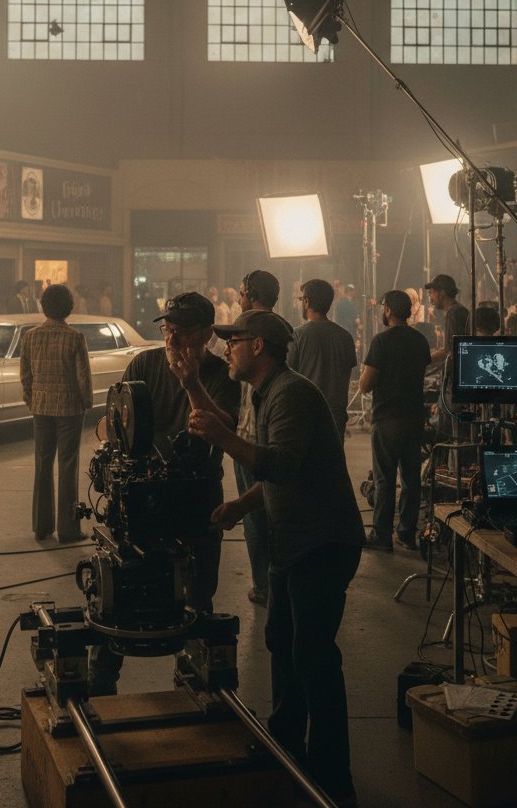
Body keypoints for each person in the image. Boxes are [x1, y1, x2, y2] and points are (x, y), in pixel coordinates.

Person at [189, 310, 365, 808]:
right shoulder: (263, 393)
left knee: (313, 656)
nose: (227, 349)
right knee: (281, 642)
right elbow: (274, 474)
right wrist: (240, 507)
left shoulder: (291, 394)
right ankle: (286, 747)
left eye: (234, 341)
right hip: (292, 541)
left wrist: (224, 440)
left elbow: (282, 465)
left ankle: (333, 777)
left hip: (323, 543)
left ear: (259, 346)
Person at [88, 290, 239, 695]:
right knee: (116, 592)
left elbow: (225, 430)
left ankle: (192, 685)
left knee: (196, 598)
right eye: (167, 329)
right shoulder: (145, 364)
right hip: (137, 494)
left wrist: (191, 384)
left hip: (196, 495)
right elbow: (115, 421)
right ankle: (101, 687)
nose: (172, 339)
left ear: (206, 334)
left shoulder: (222, 375)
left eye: (182, 332)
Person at [358, 289, 432, 552]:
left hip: (387, 418)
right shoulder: (419, 340)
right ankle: (407, 533)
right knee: (412, 479)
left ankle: (382, 535)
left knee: (384, 480)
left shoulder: (381, 341)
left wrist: (364, 377)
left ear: (388, 310)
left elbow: (366, 384)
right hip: (414, 417)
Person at [20, 284, 94, 543]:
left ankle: (41, 527)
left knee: (42, 464)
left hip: (41, 407)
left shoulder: (30, 337)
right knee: (68, 464)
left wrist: (31, 398)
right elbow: (83, 376)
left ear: (44, 307)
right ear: (68, 308)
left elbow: (25, 374)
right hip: (69, 408)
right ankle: (68, 530)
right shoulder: (75, 337)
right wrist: (87, 402)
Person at [231, 268, 281, 605]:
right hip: (273, 434)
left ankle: (263, 585)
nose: (239, 298)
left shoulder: (245, 328)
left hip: (250, 437)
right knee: (275, 511)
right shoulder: (283, 330)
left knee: (252, 514)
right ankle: (277, 580)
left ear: (250, 293)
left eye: (241, 292)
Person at [288, 278, 357, 442]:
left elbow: (289, 376)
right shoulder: (345, 337)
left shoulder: (297, 336)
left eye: (301, 299)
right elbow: (346, 374)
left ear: (306, 302)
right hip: (335, 416)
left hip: (306, 415)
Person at [425, 273, 470, 437]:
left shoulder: (453, 313)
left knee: (446, 432)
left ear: (442, 292)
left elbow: (449, 351)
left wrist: (423, 360)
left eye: (432, 293)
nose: (431, 297)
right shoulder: (460, 311)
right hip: (462, 381)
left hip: (455, 383)